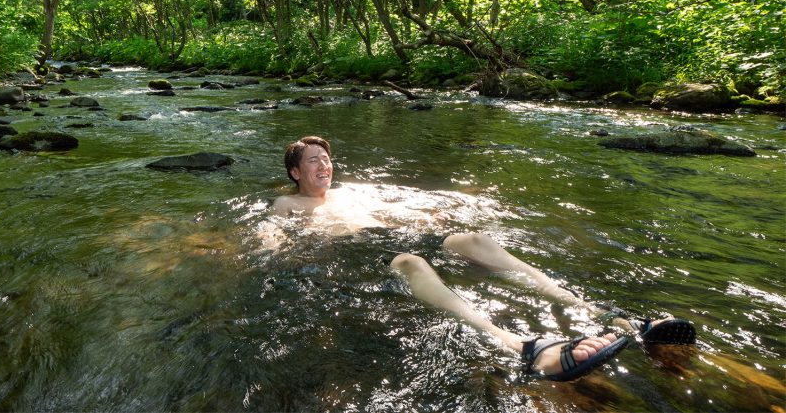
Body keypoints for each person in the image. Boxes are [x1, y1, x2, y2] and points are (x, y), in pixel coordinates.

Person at [273, 136, 697, 382]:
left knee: (473, 238)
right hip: (361, 250)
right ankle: (524, 347)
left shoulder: (355, 192)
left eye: (327, 158)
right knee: (413, 263)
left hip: (399, 232)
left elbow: (399, 209)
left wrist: (427, 214)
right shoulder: (287, 205)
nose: (324, 165)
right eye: (313, 161)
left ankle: (620, 318)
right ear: (296, 172)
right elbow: (271, 234)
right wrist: (272, 248)